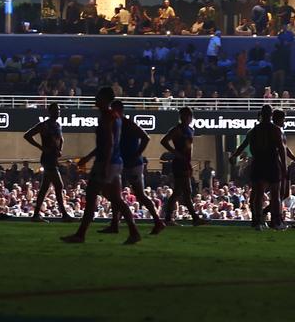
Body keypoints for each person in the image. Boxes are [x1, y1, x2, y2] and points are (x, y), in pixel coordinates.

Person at [61, 87, 140, 244]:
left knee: (91, 196)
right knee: (116, 199)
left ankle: (81, 234)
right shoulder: (115, 116)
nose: (95, 99)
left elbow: (108, 143)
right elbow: (106, 143)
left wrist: (103, 165)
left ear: (105, 99)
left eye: (98, 97)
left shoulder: (107, 117)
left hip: (106, 162)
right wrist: (88, 157)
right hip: (116, 162)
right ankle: (133, 231)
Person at [102, 100, 164, 235]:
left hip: (133, 164)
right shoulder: (117, 124)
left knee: (140, 195)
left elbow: (146, 138)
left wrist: (136, 154)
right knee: (114, 192)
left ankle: (158, 221)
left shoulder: (128, 124)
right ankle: (114, 223)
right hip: (123, 163)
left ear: (117, 110)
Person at [23, 103, 71, 222]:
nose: (58, 112)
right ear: (50, 112)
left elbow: (61, 139)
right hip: (47, 159)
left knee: (45, 188)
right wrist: (41, 147)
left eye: (59, 110)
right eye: (55, 110)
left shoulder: (58, 125)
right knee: (59, 185)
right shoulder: (44, 125)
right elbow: (27, 135)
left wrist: (59, 150)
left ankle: (35, 215)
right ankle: (64, 214)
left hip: (53, 158)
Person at [160, 107, 206, 227]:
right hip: (179, 163)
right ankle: (174, 218)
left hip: (185, 162)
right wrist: (175, 152)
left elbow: (190, 148)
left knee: (182, 191)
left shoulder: (190, 130)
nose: (186, 118)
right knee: (182, 191)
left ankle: (172, 218)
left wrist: (188, 163)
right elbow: (164, 141)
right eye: (184, 116)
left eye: (187, 116)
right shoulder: (177, 130)